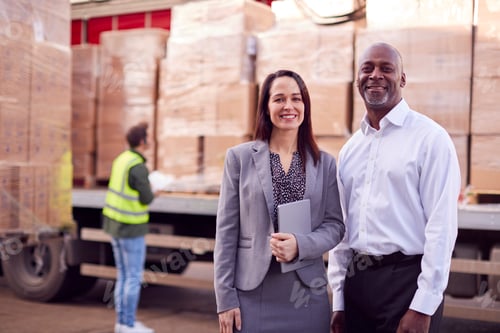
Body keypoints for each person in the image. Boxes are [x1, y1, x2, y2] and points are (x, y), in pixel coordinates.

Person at [327, 42, 461, 333]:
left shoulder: (430, 139)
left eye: (386, 68)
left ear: (402, 79)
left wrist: (423, 306)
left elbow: (442, 228)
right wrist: (339, 301)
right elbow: (343, 233)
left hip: (407, 283)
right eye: (367, 68)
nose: (375, 75)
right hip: (357, 285)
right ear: (357, 79)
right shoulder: (350, 150)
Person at [214, 69, 345, 333]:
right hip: (252, 292)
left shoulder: (326, 163)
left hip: (306, 291)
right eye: (279, 99)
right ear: (266, 106)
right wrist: (225, 299)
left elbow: (335, 225)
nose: (289, 106)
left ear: (305, 106)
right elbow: (226, 233)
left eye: (296, 99)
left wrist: (301, 244)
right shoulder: (239, 158)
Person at [102, 122, 156, 333]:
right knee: (133, 277)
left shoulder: (121, 159)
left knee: (123, 276)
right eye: (148, 137)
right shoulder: (138, 166)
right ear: (142, 141)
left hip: (114, 225)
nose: (150, 140)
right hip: (130, 229)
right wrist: (154, 190)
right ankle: (128, 324)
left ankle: (122, 323)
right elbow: (147, 198)